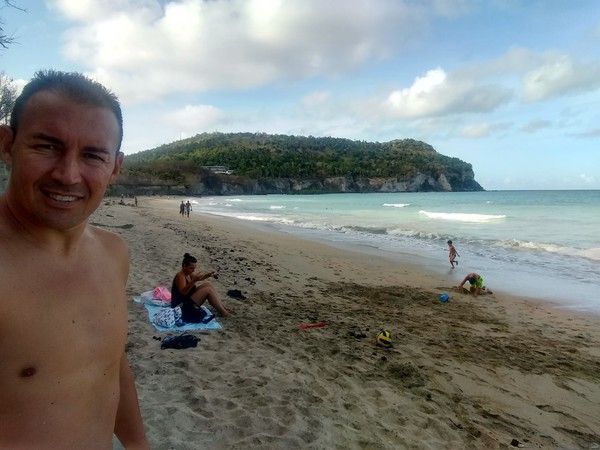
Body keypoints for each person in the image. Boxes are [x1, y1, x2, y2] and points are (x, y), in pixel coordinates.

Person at [0, 70, 148, 449]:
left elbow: (111, 366)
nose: (68, 175)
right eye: (47, 146)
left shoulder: (114, 253)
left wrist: (137, 445)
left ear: (115, 167)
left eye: (93, 155)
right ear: (7, 145)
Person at [172, 253, 231, 318]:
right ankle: (224, 313)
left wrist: (209, 274)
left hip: (187, 300)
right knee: (208, 290)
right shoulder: (180, 276)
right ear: (184, 266)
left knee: (208, 285)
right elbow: (183, 292)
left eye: (194, 268)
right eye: (191, 268)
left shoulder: (188, 273)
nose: (193, 270)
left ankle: (222, 308)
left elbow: (200, 278)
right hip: (181, 306)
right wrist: (193, 281)